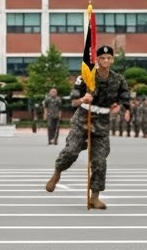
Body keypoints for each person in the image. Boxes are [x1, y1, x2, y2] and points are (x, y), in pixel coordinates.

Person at [44, 45, 132, 209]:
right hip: (83, 118)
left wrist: (123, 109)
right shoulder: (86, 77)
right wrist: (82, 99)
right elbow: (73, 100)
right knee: (71, 151)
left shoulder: (119, 79)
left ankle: (95, 197)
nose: (106, 60)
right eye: (102, 58)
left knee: (100, 161)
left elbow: (125, 99)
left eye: (109, 58)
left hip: (102, 123)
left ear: (112, 60)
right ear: (97, 60)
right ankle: (57, 172)